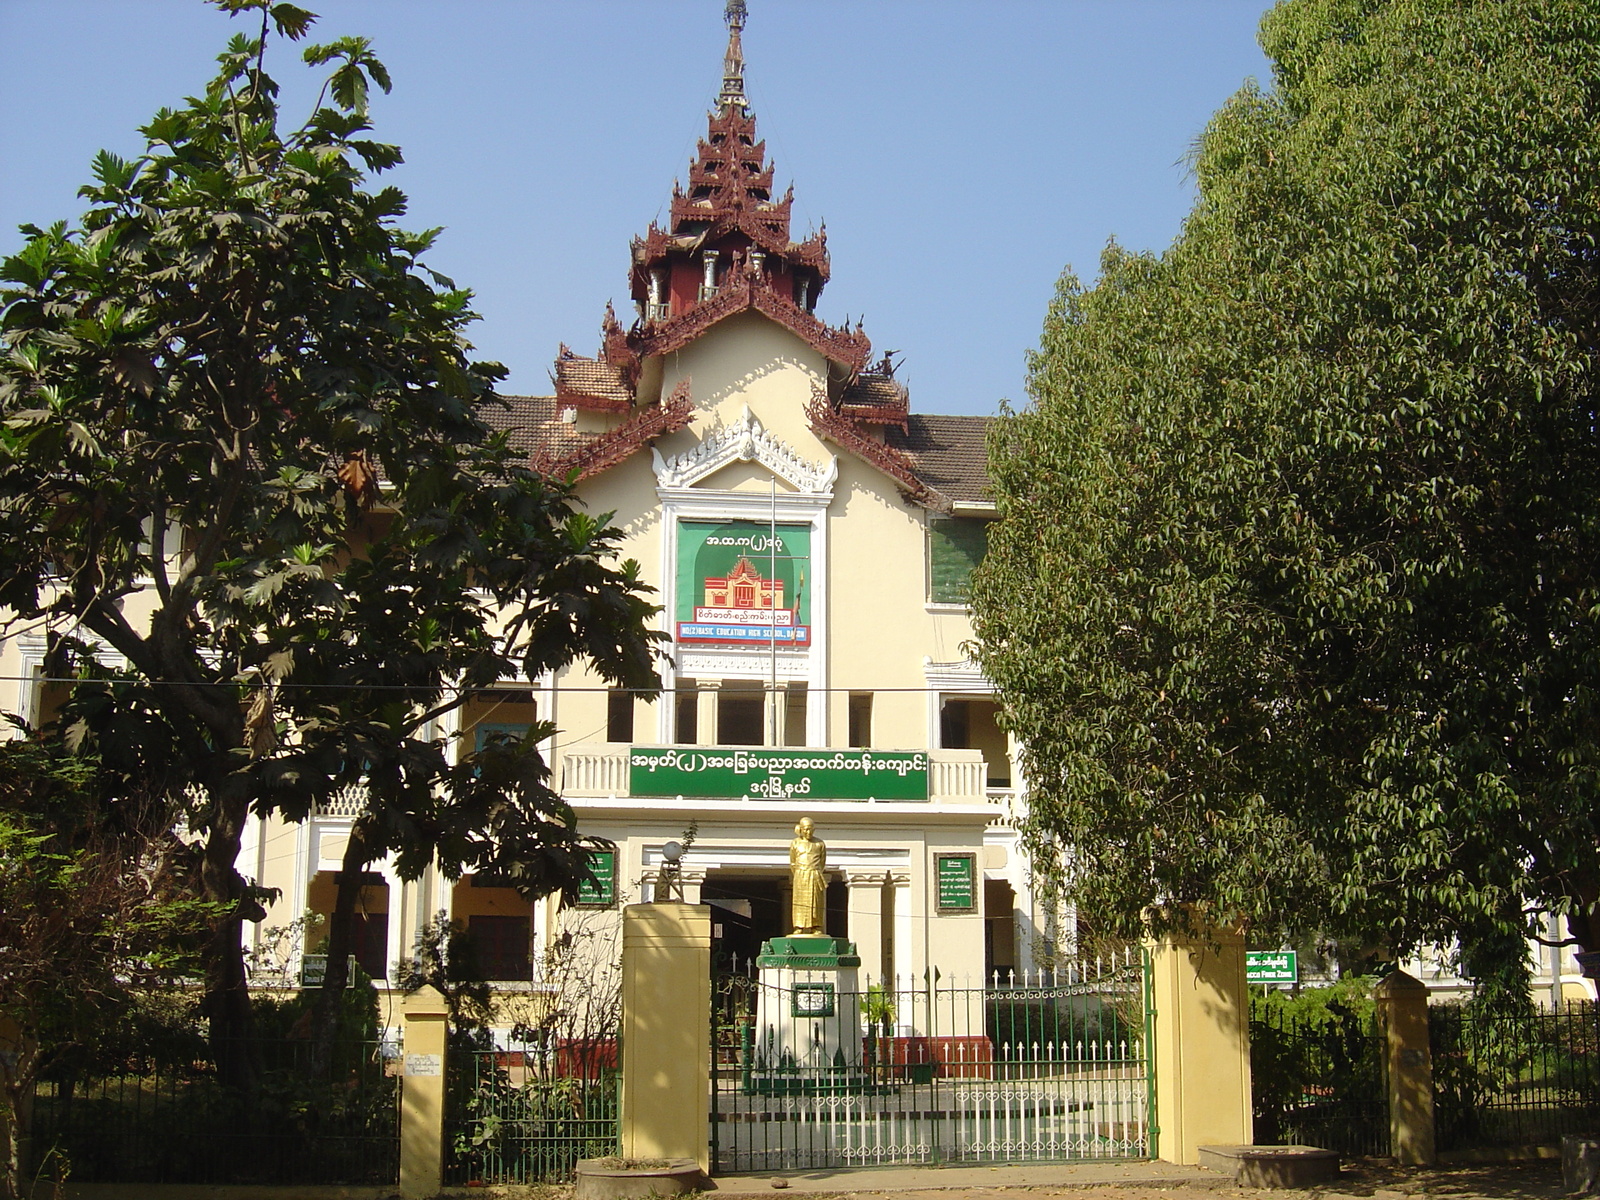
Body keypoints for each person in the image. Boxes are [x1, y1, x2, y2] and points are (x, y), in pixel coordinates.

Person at [789, 817, 826, 934]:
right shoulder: (795, 843)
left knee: (816, 902)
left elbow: (822, 862)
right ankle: (799, 926)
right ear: (800, 829)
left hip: (814, 873)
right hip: (800, 875)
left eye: (810, 829)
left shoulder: (819, 843)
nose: (808, 832)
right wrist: (800, 873)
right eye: (805, 829)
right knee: (800, 901)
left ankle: (816, 926)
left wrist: (814, 871)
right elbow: (793, 862)